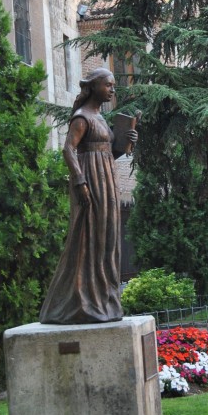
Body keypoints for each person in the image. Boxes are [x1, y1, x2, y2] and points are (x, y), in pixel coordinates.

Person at [39, 68, 137, 324]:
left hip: (106, 180)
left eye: (114, 85)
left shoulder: (102, 118)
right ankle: (82, 298)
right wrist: (80, 181)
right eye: (108, 85)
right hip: (90, 183)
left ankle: (104, 297)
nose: (113, 90)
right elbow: (68, 149)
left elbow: (107, 155)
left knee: (107, 236)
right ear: (93, 87)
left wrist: (127, 142)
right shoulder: (82, 117)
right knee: (89, 237)